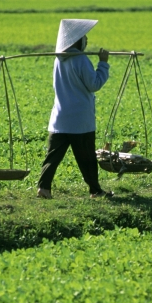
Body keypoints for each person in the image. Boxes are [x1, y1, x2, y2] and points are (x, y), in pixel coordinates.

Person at [37, 18, 113, 199]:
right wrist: (103, 63)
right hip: (80, 120)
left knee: (52, 157)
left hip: (60, 118)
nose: (86, 40)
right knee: (86, 158)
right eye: (84, 37)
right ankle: (95, 191)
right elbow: (94, 84)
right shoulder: (80, 59)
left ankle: (43, 188)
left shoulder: (59, 59)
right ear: (77, 40)